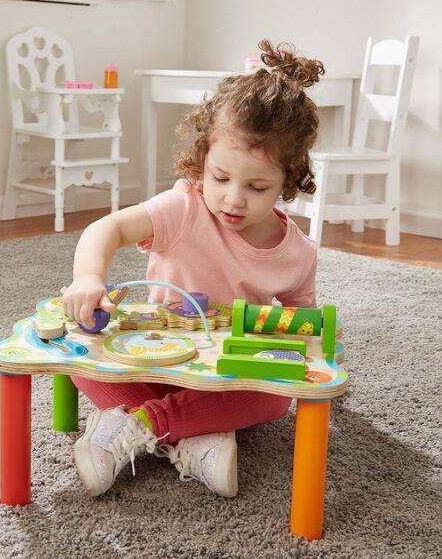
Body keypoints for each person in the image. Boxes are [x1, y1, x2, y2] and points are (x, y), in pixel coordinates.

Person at [62, 39, 325, 498]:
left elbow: (302, 331)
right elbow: (107, 228)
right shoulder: (183, 206)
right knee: (78, 354)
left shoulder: (297, 253)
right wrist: (88, 278)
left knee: (276, 396)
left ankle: (138, 425)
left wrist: (302, 352)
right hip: (155, 360)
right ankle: (197, 435)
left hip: (227, 376)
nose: (233, 199)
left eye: (257, 187)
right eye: (220, 177)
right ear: (202, 161)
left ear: (288, 180)